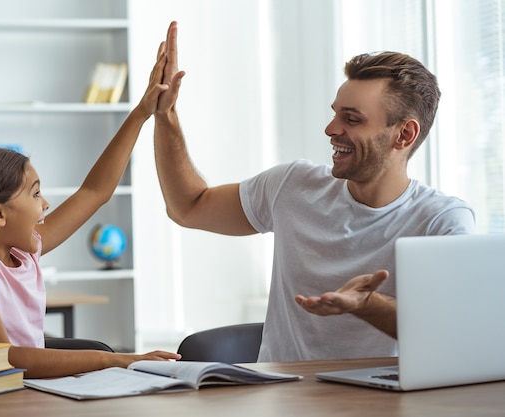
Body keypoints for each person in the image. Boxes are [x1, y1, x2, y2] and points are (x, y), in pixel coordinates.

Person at [153, 21, 475, 362]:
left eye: (351, 119)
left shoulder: (441, 221)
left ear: (404, 135)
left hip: (382, 405)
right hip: (281, 398)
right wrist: (166, 114)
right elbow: (188, 207)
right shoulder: (293, 185)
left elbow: (453, 334)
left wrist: (368, 305)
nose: (331, 129)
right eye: (335, 114)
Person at [0, 39, 181, 378]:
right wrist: (116, 359)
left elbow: (95, 191)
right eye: (36, 194)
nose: (46, 203)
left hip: (22, 395)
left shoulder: (23, 251)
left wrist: (143, 112)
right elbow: (5, 359)